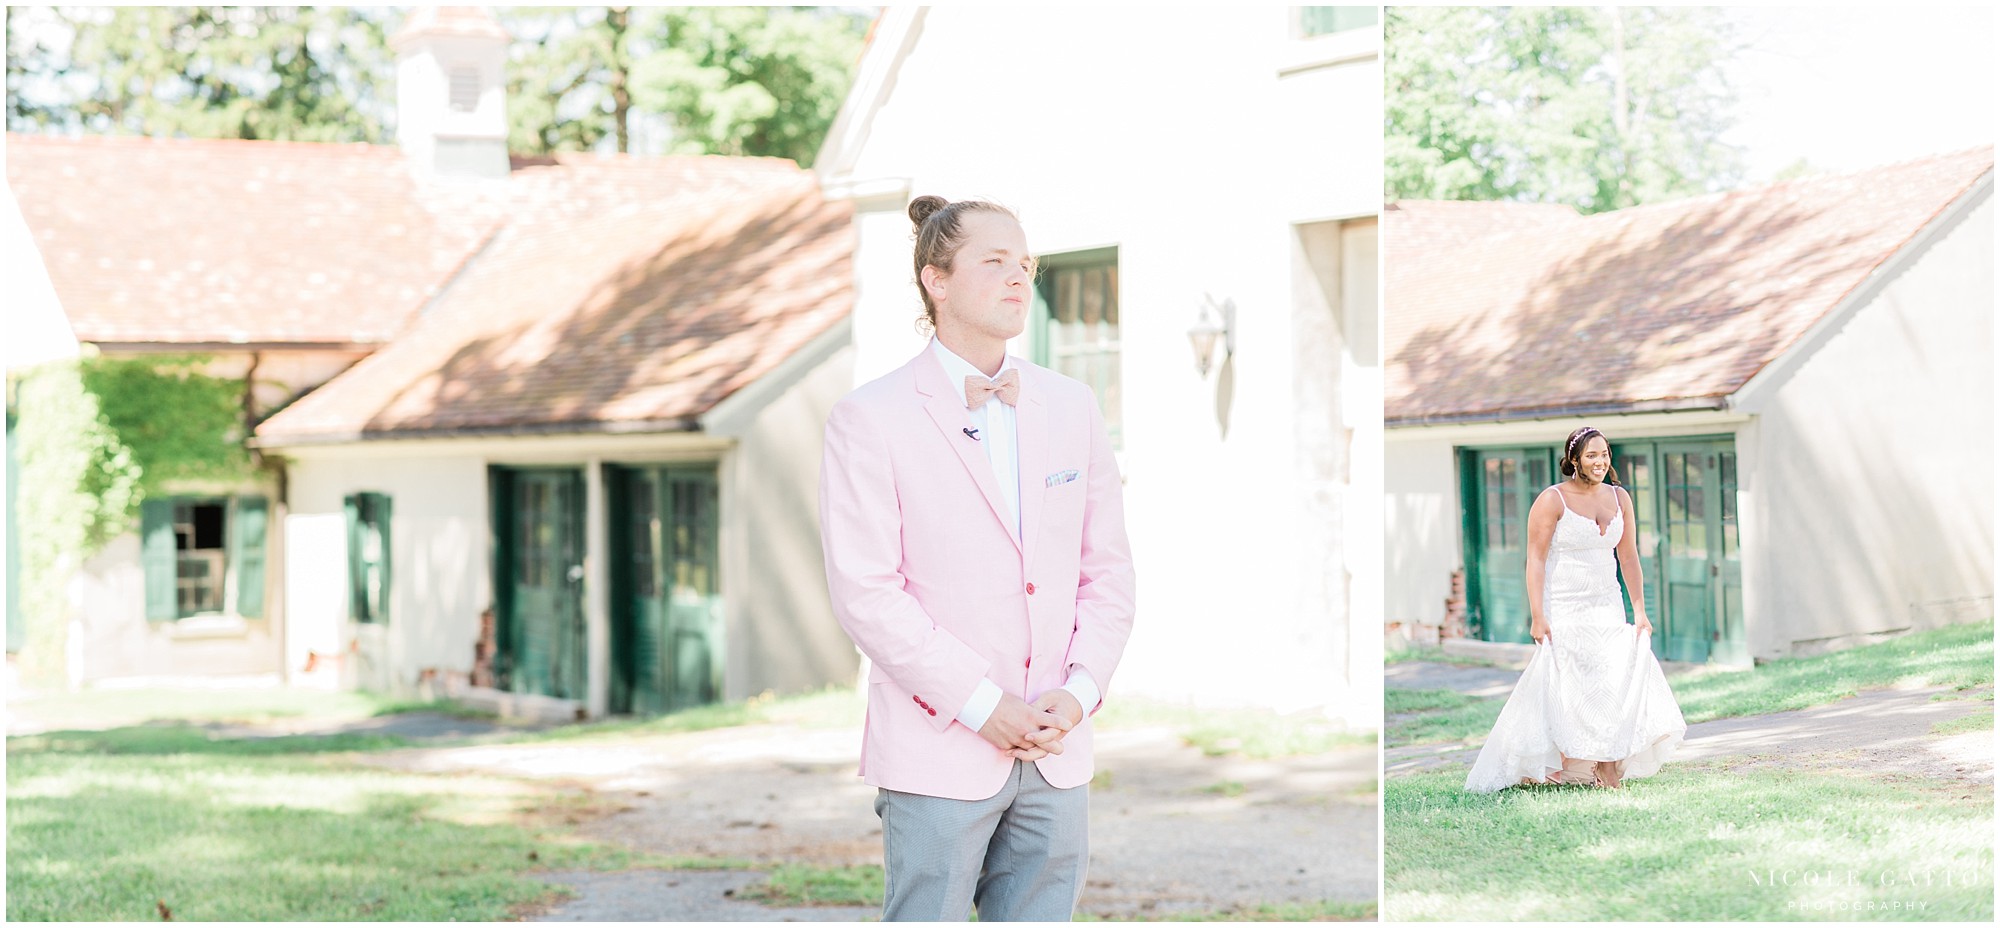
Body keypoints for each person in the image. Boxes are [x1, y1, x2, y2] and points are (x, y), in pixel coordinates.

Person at [819, 195, 1137, 920]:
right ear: (936, 278)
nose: (1018, 278)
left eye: (1024, 264)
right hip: (939, 748)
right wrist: (981, 705)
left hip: (1057, 750)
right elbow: (866, 594)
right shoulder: (870, 418)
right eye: (994, 262)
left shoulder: (1072, 406)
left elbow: (1108, 571)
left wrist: (1081, 692)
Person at [1464, 426, 1686, 792]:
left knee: (1611, 680)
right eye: (1591, 455)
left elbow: (1628, 557)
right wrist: (1538, 615)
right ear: (1574, 460)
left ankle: (1607, 766)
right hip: (1564, 604)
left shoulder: (1620, 498)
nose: (1600, 462)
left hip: (1607, 603)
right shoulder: (1552, 500)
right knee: (1568, 685)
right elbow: (1535, 559)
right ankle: (1550, 759)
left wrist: (1640, 611)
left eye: (1605, 454)